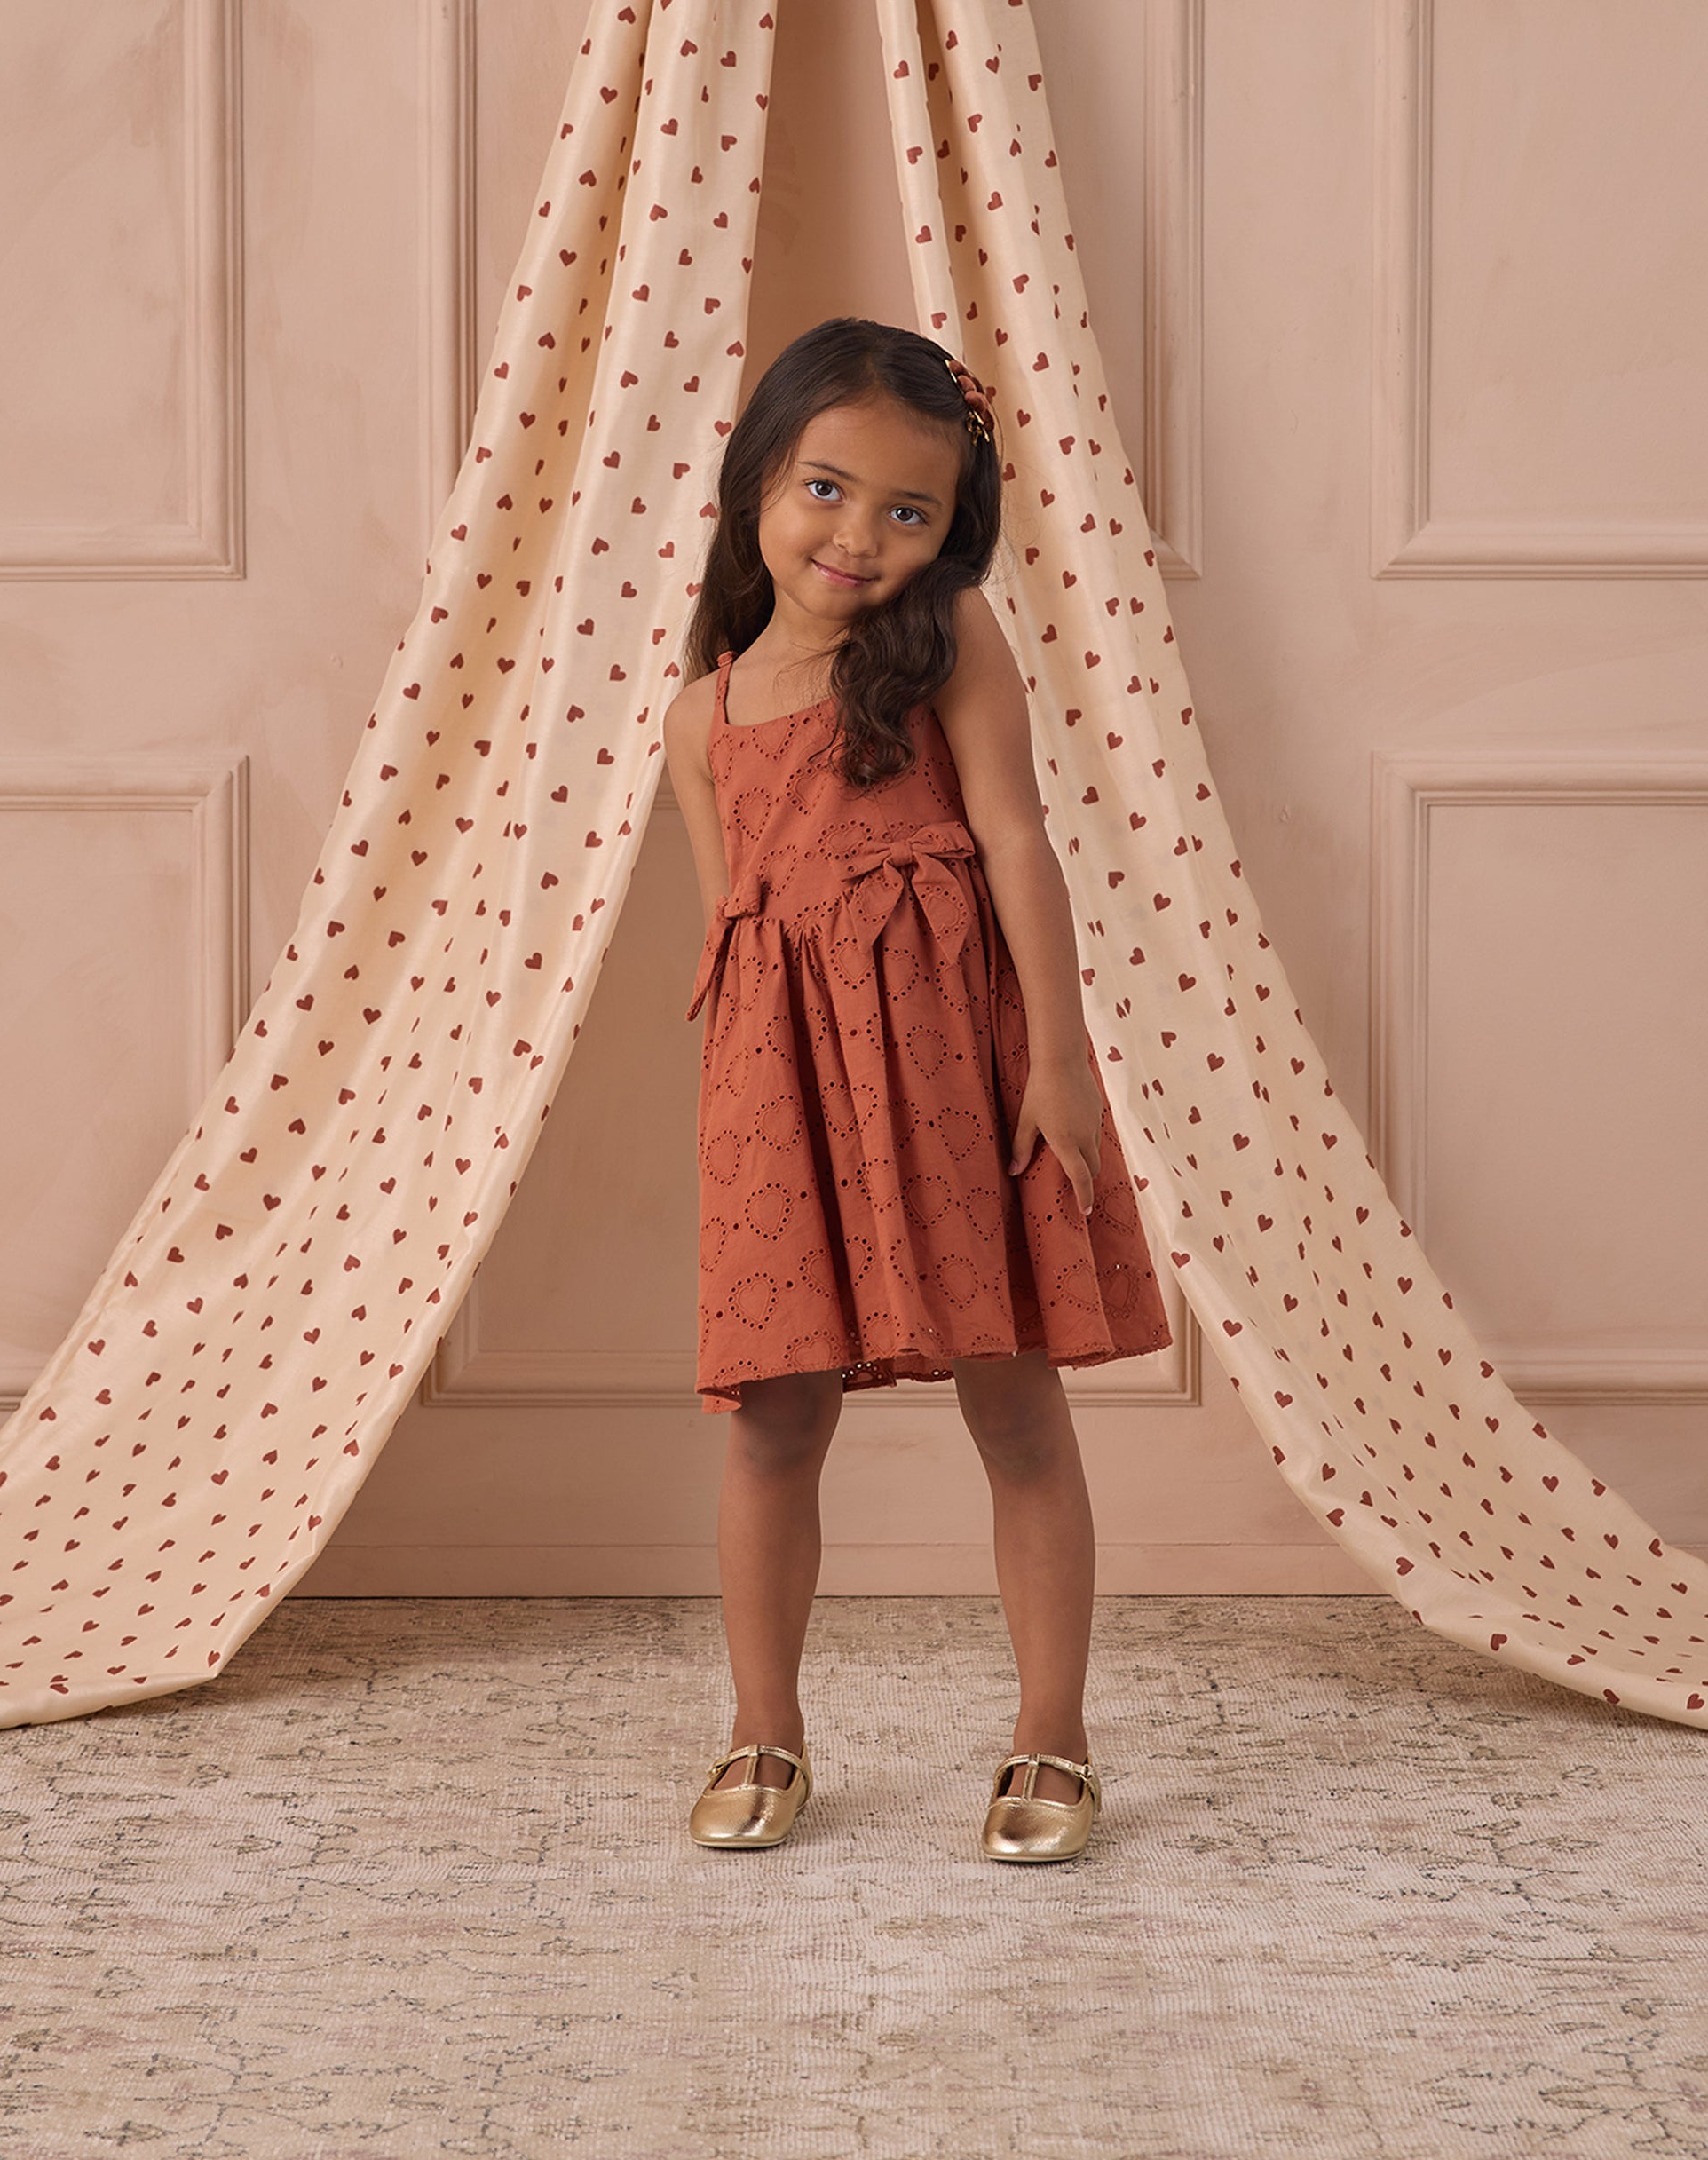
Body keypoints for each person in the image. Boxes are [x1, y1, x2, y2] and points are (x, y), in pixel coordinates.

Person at [661, 318, 1172, 1863]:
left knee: (1011, 1401)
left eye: (908, 511)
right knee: (771, 1420)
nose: (858, 537)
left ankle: (1053, 1735)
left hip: (961, 1071)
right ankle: (764, 1726)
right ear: (759, 478)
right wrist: (753, 1125)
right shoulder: (701, 715)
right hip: (782, 1102)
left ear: (953, 530)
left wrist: (1061, 1065)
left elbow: (1016, 840)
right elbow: (731, 933)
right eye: (825, 489)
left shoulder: (947, 641)